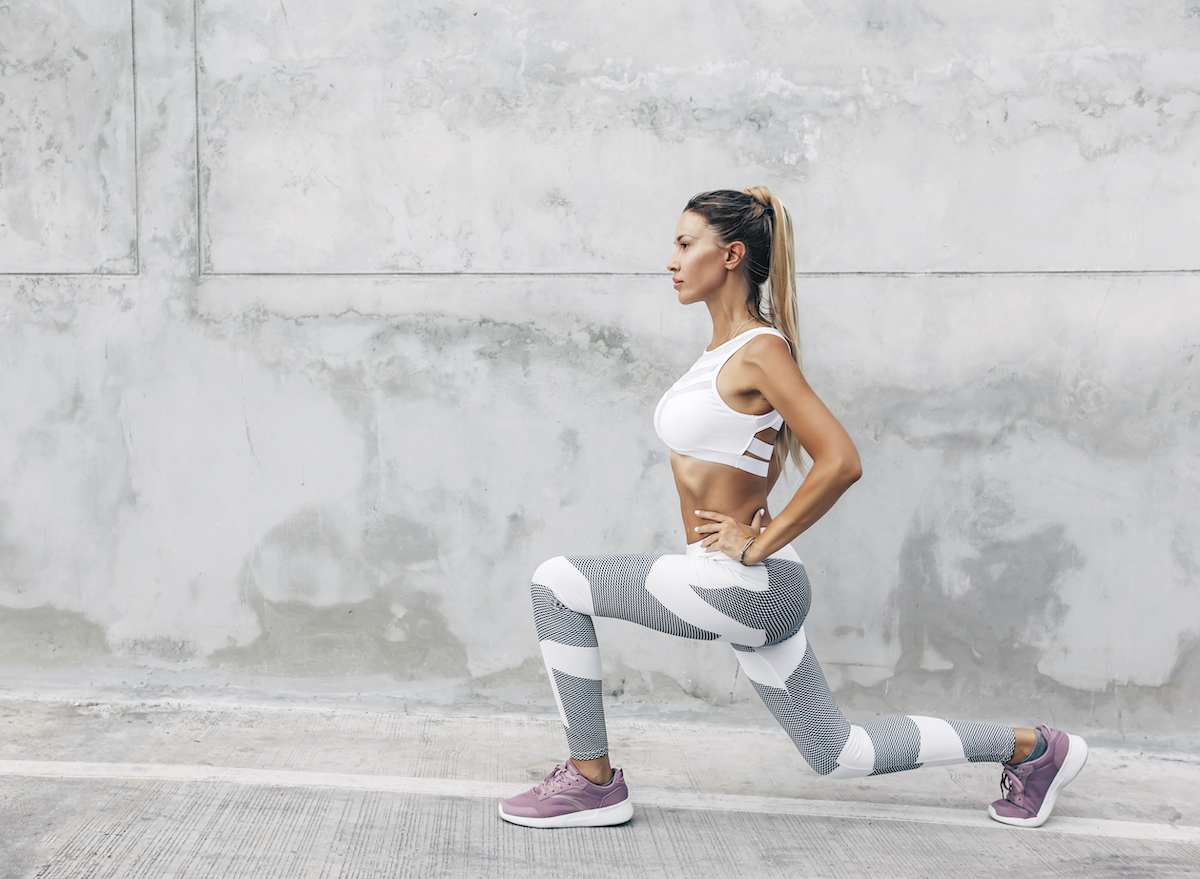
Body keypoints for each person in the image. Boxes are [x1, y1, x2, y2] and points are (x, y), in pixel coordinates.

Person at [498, 187, 1087, 829]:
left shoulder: (760, 349)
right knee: (838, 754)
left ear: (730, 254)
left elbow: (841, 459)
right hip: (741, 581)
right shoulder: (722, 354)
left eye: (684, 244)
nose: (670, 260)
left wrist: (758, 543)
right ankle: (1035, 749)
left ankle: (591, 782)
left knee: (559, 584)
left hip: (749, 582)